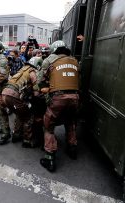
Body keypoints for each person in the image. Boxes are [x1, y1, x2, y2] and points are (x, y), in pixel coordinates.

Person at [37, 40, 80, 172]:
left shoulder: (49, 60)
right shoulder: (74, 61)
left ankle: (49, 157)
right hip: (75, 97)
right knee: (70, 122)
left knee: (48, 126)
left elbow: (40, 81)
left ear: (53, 50)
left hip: (58, 98)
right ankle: (72, 149)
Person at [2, 62, 37, 147]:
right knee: (27, 116)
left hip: (4, 93)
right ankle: (27, 140)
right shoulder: (32, 72)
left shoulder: (21, 70)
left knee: (19, 114)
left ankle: (16, 135)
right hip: (13, 95)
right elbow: (36, 91)